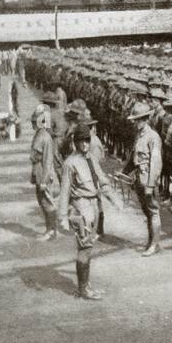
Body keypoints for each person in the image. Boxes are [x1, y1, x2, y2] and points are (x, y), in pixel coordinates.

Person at [57, 121, 118, 300]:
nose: (85, 144)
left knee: (88, 247)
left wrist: (114, 199)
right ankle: (83, 289)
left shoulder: (90, 158)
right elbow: (64, 191)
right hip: (81, 207)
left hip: (93, 205)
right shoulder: (70, 163)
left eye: (87, 140)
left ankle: (85, 284)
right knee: (84, 248)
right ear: (75, 142)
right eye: (81, 141)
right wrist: (62, 216)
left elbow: (102, 179)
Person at [123, 100, 164, 255]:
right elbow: (134, 157)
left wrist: (150, 185)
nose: (136, 122)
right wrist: (124, 172)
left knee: (153, 211)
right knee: (147, 212)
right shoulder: (139, 135)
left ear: (146, 119)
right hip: (139, 178)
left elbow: (155, 162)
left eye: (139, 119)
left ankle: (154, 244)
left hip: (148, 179)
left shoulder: (153, 137)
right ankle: (151, 241)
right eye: (135, 119)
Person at [29, 103, 60, 241]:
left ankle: (52, 231)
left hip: (44, 175)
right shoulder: (39, 134)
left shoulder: (46, 137)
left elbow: (47, 161)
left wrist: (44, 180)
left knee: (48, 203)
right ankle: (49, 229)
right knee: (43, 202)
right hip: (38, 173)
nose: (33, 122)